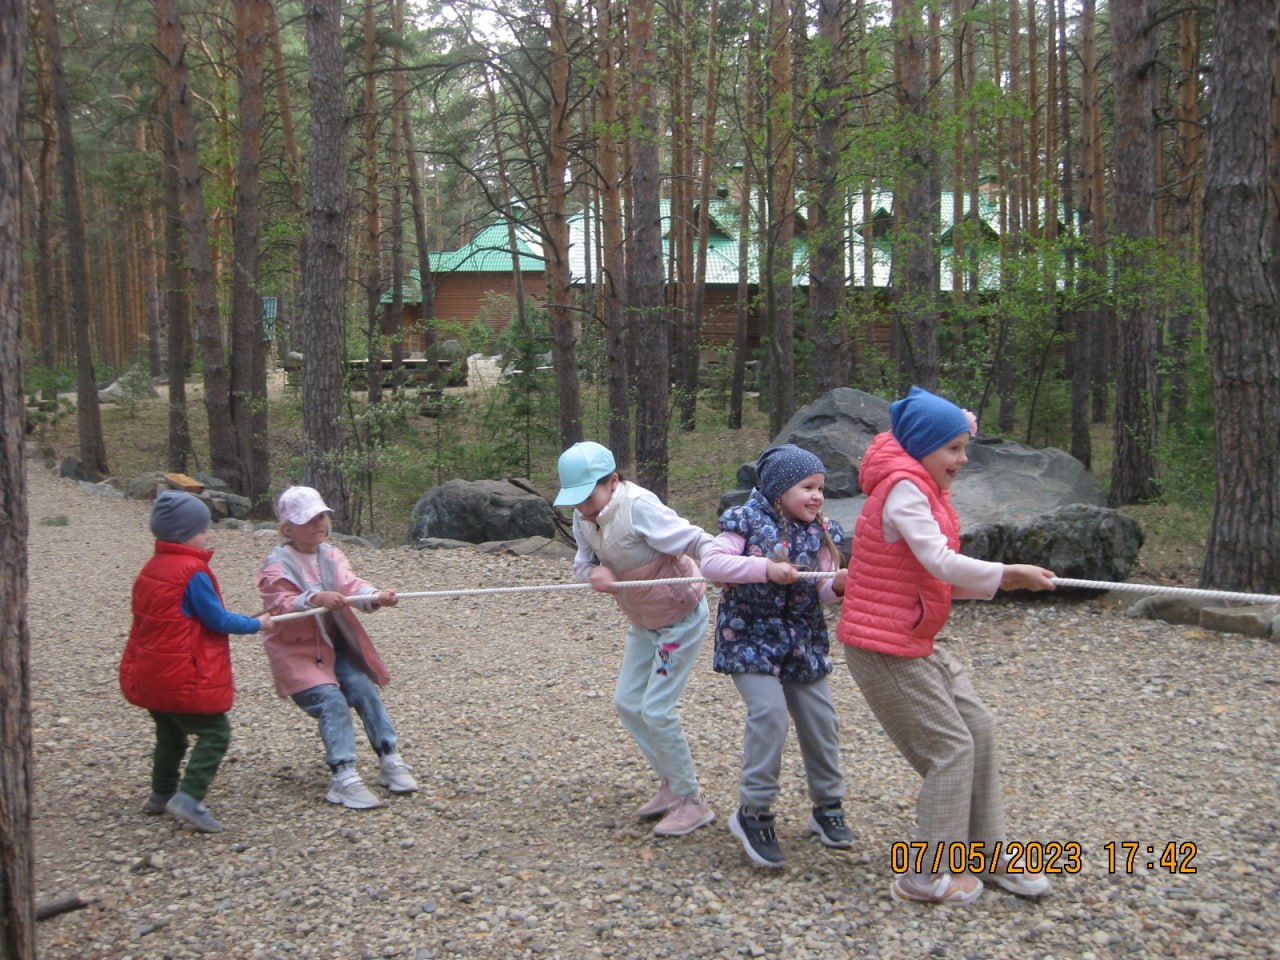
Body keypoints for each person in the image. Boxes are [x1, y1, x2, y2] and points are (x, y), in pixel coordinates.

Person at [837, 386, 1057, 905]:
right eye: (953, 449)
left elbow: (927, 575)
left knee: (977, 727)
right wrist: (1006, 574)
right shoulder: (904, 489)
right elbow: (938, 560)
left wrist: (1001, 581)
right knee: (950, 748)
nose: (963, 459)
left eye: (965, 447)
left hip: (913, 638)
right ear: (922, 448)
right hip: (883, 647)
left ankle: (986, 852)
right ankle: (926, 875)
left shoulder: (924, 486)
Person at [700, 444, 852, 868]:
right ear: (779, 489)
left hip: (802, 640)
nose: (817, 496)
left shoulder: (823, 531)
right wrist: (763, 568)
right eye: (808, 487)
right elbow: (711, 563)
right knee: (769, 715)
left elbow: (821, 589)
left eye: (820, 488)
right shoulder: (744, 520)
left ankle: (828, 805)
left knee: (821, 719)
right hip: (749, 638)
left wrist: (838, 585)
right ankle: (754, 811)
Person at [555, 441, 717, 837]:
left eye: (588, 497)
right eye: (575, 500)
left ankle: (692, 801)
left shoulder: (639, 506)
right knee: (628, 702)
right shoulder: (583, 517)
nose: (582, 507)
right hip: (644, 622)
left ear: (612, 481)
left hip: (679, 620)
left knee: (657, 708)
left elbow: (694, 539)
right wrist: (593, 574)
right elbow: (582, 564)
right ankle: (672, 783)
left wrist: (722, 564)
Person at [255, 485, 417, 810]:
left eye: (322, 517)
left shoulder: (330, 554)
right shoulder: (276, 566)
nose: (319, 524)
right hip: (299, 653)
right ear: (288, 529)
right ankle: (343, 775)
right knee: (331, 701)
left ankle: (389, 757)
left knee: (364, 689)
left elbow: (350, 584)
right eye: (309, 519)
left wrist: (375, 596)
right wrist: (315, 598)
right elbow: (280, 603)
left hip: (335, 647)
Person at [120, 490, 272, 833]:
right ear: (185, 533)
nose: (207, 535)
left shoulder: (151, 568)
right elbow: (217, 620)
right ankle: (188, 797)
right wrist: (258, 623)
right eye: (203, 530)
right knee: (216, 733)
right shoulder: (192, 572)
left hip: (149, 673)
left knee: (170, 733)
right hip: (180, 675)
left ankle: (161, 793)